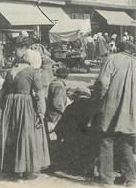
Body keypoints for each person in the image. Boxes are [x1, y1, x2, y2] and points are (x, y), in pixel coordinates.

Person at [0, 33, 50, 179]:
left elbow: (2, 93)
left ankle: (13, 169)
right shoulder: (32, 73)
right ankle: (25, 169)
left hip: (10, 104)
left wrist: (4, 107)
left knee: (12, 134)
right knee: (25, 135)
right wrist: (41, 113)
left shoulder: (10, 71)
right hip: (25, 105)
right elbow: (40, 94)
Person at [93, 40, 136, 186]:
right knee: (127, 143)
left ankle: (107, 180)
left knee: (106, 141)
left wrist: (99, 100)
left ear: (118, 48)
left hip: (111, 106)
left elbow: (102, 82)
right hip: (130, 110)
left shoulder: (111, 59)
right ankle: (130, 179)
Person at [55, 86, 96, 177]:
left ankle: (75, 169)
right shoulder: (94, 106)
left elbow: (61, 124)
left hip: (73, 139)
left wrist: (60, 135)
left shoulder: (70, 107)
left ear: (77, 95)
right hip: (90, 137)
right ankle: (88, 170)